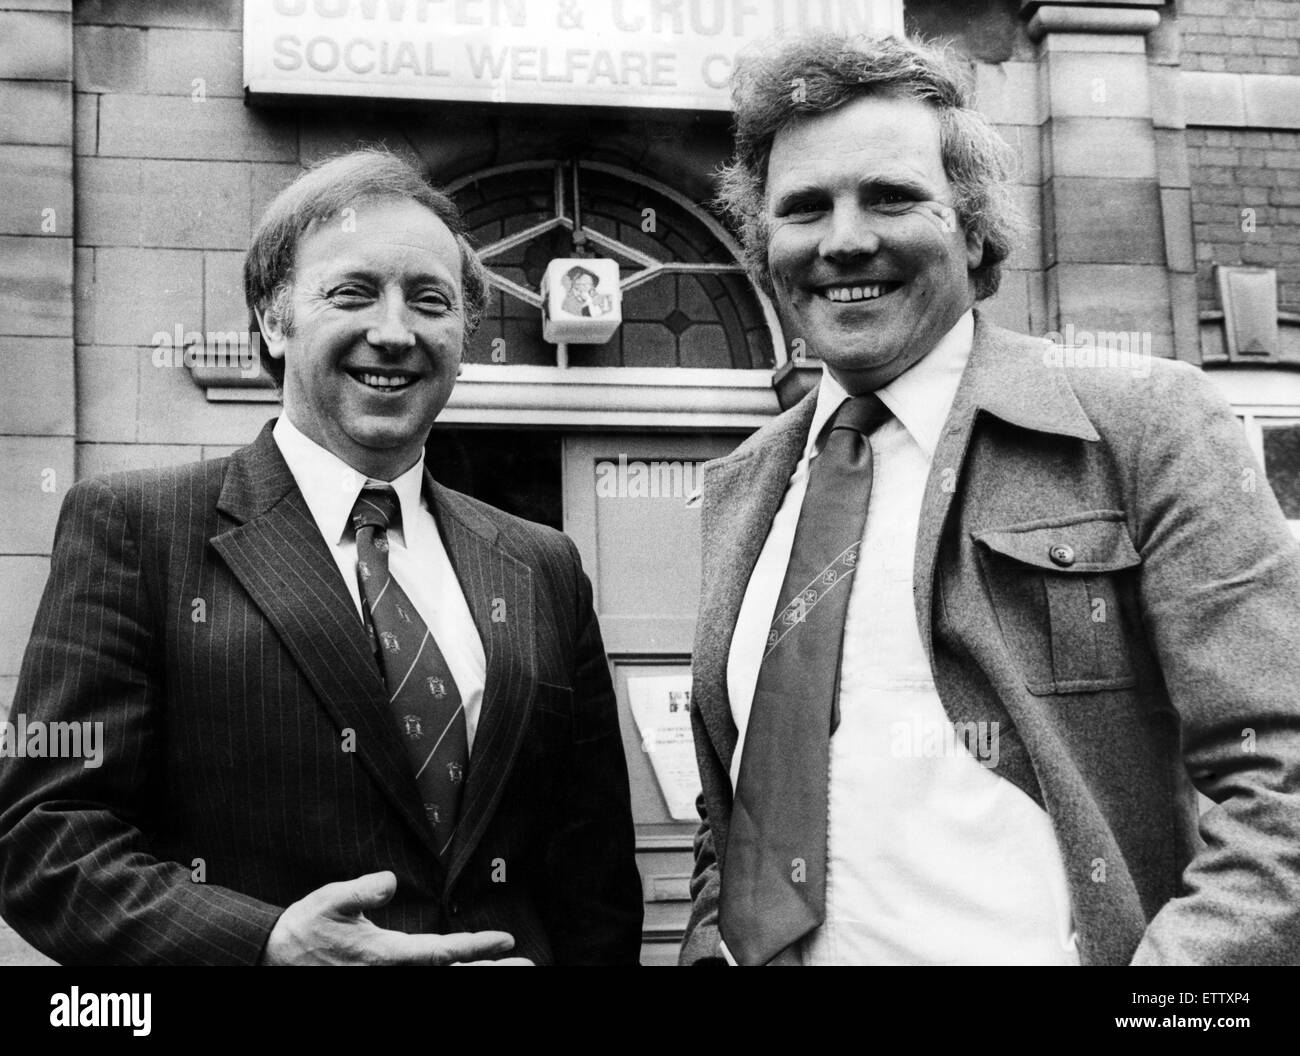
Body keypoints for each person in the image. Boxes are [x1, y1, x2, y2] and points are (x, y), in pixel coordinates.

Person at [681, 33, 1300, 966]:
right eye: (805, 208)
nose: (844, 239)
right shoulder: (747, 486)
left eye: (890, 197)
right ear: (767, 244)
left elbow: (1280, 784)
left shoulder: (1144, 425)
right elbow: (735, 805)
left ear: (971, 229)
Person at [0, 149, 643, 965]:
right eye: (351, 293)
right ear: (273, 318)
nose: (393, 331)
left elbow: (594, 881)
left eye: (430, 302)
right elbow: (44, 837)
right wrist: (266, 945)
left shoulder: (544, 566)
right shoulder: (136, 527)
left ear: (463, 337)